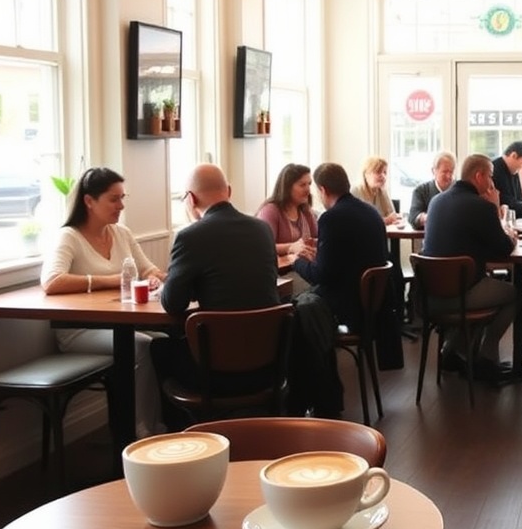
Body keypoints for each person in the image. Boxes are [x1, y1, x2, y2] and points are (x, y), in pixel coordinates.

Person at [40, 166, 167, 438]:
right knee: (141, 345)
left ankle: (161, 424)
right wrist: (112, 280)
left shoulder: (122, 233)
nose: (121, 205)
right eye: (114, 199)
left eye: (123, 198)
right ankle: (140, 431)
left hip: (121, 323)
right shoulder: (69, 236)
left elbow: (149, 269)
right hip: (80, 331)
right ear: (89, 201)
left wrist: (154, 278)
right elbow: (51, 281)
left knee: (163, 341)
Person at [155, 164, 281, 425]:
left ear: (190, 199)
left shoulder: (190, 236)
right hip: (268, 365)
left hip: (214, 373)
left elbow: (173, 303)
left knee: (159, 348)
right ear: (229, 191)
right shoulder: (262, 229)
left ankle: (179, 434)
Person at [292, 162, 390, 415]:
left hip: (347, 307)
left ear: (323, 190)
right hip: (371, 305)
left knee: (299, 312)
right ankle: (321, 398)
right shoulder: (371, 213)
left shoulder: (331, 218)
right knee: (307, 308)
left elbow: (322, 275)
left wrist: (298, 261)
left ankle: (313, 399)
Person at [421, 153, 517, 382]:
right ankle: (486, 356)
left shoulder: (436, 201)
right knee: (514, 294)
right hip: (462, 294)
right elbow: (504, 248)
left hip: (429, 296)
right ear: (479, 176)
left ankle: (451, 350)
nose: (492, 183)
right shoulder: (481, 207)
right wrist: (495, 207)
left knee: (481, 290)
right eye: (490, 177)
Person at [256, 163, 318, 257]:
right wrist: (290, 247)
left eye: (309, 184)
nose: (308, 190)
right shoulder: (270, 211)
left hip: (304, 264)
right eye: (302, 185)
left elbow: (316, 238)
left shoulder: (307, 211)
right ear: (287, 187)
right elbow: (263, 246)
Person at [492, 140, 522, 219]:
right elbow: (503, 199)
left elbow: (519, 198)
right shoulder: (494, 169)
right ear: (513, 155)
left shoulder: (513, 171)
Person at [408, 151, 456, 228]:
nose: (449, 176)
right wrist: (427, 218)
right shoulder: (420, 191)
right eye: (445, 172)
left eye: (451, 172)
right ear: (434, 171)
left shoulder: (459, 191)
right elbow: (413, 217)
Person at [352, 155, 401, 225]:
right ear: (366, 174)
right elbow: (358, 222)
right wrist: (385, 220)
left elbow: (392, 215)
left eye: (384, 172)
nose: (383, 176)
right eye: (378, 172)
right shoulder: (355, 191)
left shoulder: (382, 191)